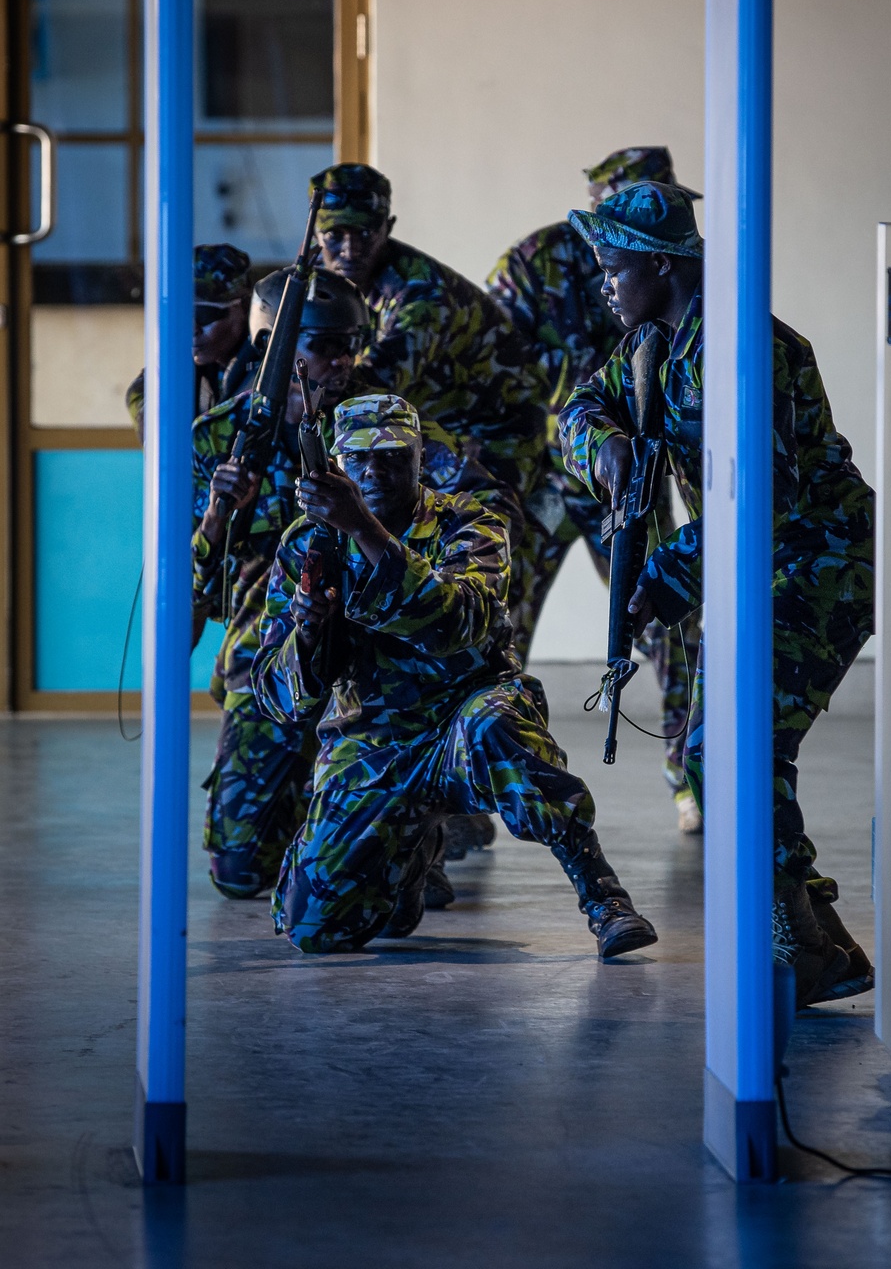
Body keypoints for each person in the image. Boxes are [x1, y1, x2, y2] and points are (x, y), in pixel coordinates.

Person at [558, 181, 875, 1007]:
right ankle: (821, 947)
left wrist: (660, 580)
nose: (605, 286)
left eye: (614, 269)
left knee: (729, 746)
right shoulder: (655, 342)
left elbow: (761, 498)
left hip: (822, 561)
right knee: (721, 747)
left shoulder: (742, 350)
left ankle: (799, 946)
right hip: (756, 565)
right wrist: (610, 445)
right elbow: (580, 406)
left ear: (662, 265)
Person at [251, 393, 658, 959]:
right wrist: (311, 636)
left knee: (499, 727)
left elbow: (458, 621)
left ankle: (603, 897)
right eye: (362, 459)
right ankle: (410, 854)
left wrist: (364, 527)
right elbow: (276, 695)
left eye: (394, 456)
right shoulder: (307, 543)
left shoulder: (469, 521)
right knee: (313, 930)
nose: (377, 470)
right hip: (376, 739)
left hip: (464, 716)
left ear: (420, 458)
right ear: (338, 464)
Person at [196, 269, 511, 901]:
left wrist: (437, 572)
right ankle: (323, 820)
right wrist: (217, 515)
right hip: (279, 634)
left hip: (383, 632)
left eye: (350, 344)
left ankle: (420, 813)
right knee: (239, 872)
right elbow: (189, 585)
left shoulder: (376, 420)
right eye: (323, 346)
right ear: (274, 348)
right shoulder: (222, 437)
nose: (342, 360)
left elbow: (483, 497)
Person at [486, 148, 702, 833]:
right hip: (546, 479)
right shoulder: (533, 263)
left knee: (668, 620)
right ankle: (480, 785)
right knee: (498, 617)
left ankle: (689, 773)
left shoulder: (681, 303)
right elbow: (488, 362)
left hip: (631, 482)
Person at [309, 163, 548, 508]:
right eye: (335, 234)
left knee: (483, 531)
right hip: (423, 427)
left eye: (364, 233)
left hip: (496, 431)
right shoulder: (319, 286)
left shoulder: (422, 295)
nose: (350, 248)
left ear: (387, 228)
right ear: (316, 234)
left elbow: (366, 389)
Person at [126, 243, 256, 442]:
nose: (192, 328)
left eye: (205, 314)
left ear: (245, 307)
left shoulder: (271, 366)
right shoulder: (181, 361)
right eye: (182, 314)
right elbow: (139, 393)